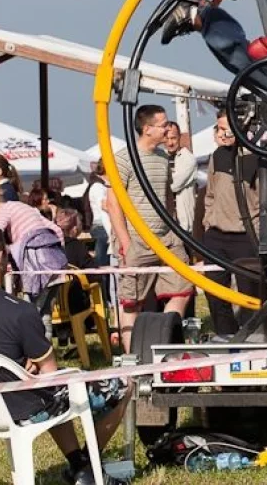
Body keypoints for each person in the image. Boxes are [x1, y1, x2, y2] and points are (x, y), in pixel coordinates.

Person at [0, 223, 128, 485]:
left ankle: (78, 465)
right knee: (122, 386)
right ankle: (89, 467)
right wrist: (32, 368)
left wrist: (20, 367)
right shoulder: (18, 311)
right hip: (25, 405)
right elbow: (51, 374)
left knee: (47, 389)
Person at [105, 105, 193, 353]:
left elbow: (165, 197)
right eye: (163, 124)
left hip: (167, 237)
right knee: (132, 303)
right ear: (147, 129)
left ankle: (163, 346)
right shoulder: (123, 159)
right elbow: (114, 203)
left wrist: (173, 228)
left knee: (183, 289)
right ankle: (134, 363)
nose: (168, 128)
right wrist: (125, 243)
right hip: (136, 240)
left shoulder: (164, 157)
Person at [0, 184, 67, 338]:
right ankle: (46, 353)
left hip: (36, 265)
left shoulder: (4, 211)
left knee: (29, 313)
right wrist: (60, 258)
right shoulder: (25, 207)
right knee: (45, 313)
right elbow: (57, 230)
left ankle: (31, 355)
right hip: (56, 265)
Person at [202, 111, 261, 337]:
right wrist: (208, 222)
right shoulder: (216, 156)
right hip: (217, 235)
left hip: (245, 235)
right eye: (218, 128)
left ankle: (252, 337)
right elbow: (210, 193)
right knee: (216, 293)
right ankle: (225, 336)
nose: (222, 133)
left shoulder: (255, 157)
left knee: (249, 294)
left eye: (226, 128)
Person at [165, 122, 198, 235]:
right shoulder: (161, 157)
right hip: (166, 223)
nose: (170, 142)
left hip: (183, 225)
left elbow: (174, 185)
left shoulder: (188, 159)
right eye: (167, 138)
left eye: (173, 138)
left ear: (179, 137)